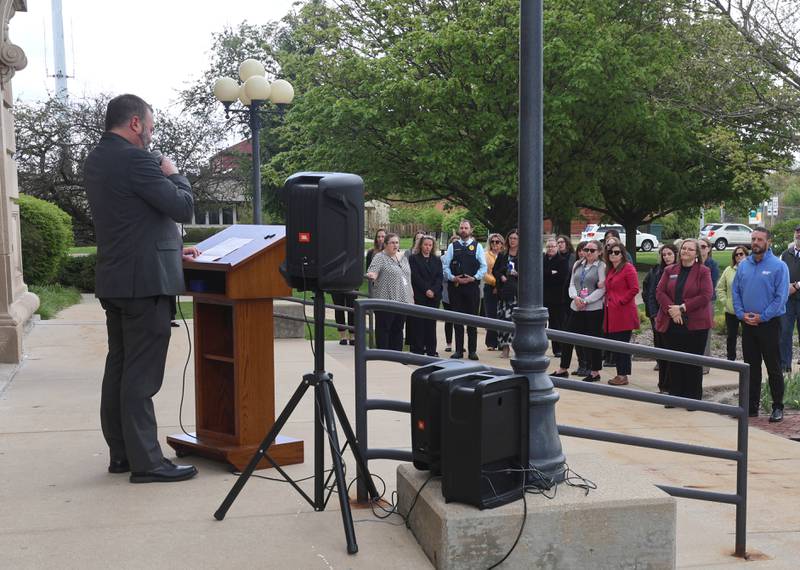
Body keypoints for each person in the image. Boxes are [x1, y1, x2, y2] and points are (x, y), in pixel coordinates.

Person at [84, 94, 198, 483]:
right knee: (141, 375)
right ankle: (148, 462)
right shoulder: (137, 160)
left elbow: (130, 217)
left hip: (116, 279)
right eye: (149, 124)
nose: (151, 132)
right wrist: (174, 172)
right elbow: (182, 207)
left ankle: (122, 453)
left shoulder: (97, 159)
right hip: (144, 283)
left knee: (119, 367)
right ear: (135, 123)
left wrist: (172, 247)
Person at [733, 227, 789, 422]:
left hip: (770, 324)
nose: (755, 242)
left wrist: (762, 317)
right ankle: (750, 407)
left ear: (768, 242)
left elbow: (780, 298)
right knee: (751, 367)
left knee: (773, 367)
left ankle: (777, 407)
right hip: (748, 323)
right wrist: (741, 314)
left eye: (759, 239)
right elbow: (736, 292)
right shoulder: (743, 265)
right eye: (753, 238)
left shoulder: (778, 266)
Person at [655, 239, 713, 404]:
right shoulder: (669, 270)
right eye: (683, 249)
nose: (685, 251)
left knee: (693, 363)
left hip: (695, 325)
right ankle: (675, 396)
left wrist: (681, 308)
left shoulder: (703, 271)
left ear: (696, 254)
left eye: (690, 249)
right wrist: (672, 311)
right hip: (672, 323)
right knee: (674, 362)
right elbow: (660, 291)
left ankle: (692, 399)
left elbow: (706, 295)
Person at [551, 240, 606, 381]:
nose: (588, 253)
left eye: (592, 250)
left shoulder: (601, 266)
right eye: (586, 249)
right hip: (576, 306)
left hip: (593, 308)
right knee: (568, 337)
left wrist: (586, 300)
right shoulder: (578, 264)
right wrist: (575, 297)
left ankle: (594, 371)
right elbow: (572, 284)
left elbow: (602, 289)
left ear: (599, 252)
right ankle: (563, 368)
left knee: (593, 340)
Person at [442, 220, 487, 360]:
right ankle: (459, 350)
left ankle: (472, 351)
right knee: (457, 320)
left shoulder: (477, 246)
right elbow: (445, 266)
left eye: (466, 228)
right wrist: (453, 278)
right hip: (456, 287)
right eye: (461, 228)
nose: (463, 230)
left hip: (472, 287)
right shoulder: (452, 246)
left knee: (472, 320)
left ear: (471, 230)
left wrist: (474, 278)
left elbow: (483, 267)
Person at [366, 233, 413, 350]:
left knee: (398, 329)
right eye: (392, 242)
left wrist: (411, 297)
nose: (395, 245)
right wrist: (372, 275)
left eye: (397, 242)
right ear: (385, 244)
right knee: (384, 329)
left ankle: (397, 356)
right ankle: (383, 357)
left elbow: (408, 278)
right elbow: (373, 272)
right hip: (385, 300)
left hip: (402, 300)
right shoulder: (380, 257)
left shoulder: (403, 258)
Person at [603, 242, 640, 386]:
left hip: (623, 313)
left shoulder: (628, 268)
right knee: (616, 345)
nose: (613, 254)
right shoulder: (611, 269)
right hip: (612, 312)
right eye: (611, 252)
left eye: (617, 252)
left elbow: (634, 289)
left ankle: (623, 375)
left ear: (623, 254)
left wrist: (620, 301)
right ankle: (620, 373)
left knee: (622, 345)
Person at [643, 244, 677, 392]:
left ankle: (672, 385)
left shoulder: (680, 271)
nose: (667, 257)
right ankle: (663, 385)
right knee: (661, 353)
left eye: (669, 254)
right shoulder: (657, 272)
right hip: (659, 318)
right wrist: (654, 315)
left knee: (672, 355)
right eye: (664, 255)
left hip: (675, 318)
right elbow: (651, 295)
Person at [409, 235, 443, 356]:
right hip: (420, 295)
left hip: (433, 297)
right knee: (419, 324)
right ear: (421, 245)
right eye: (425, 245)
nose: (427, 247)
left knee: (431, 324)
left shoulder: (437, 259)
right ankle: (418, 349)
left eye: (430, 245)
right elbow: (415, 276)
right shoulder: (414, 259)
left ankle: (431, 350)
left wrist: (433, 290)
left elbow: (439, 277)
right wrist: (426, 290)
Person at [716, 246, 749, 361]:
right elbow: (720, 288)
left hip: (747, 310)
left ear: (746, 255)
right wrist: (725, 301)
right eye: (736, 255)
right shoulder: (728, 270)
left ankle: (748, 361)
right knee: (731, 337)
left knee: (748, 338)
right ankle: (731, 360)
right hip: (731, 310)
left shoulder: (751, 269)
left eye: (741, 254)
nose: (739, 256)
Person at [493, 229, 520, 359]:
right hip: (503, 292)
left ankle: (517, 348)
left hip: (516, 292)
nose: (512, 240)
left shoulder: (523, 255)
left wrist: (518, 274)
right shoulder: (503, 254)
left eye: (515, 238)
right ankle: (505, 348)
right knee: (503, 320)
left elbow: (529, 273)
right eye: (510, 238)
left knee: (515, 321)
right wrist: (501, 276)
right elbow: (494, 270)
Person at [543, 237, 570, 358]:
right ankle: (539, 346)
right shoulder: (541, 259)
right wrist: (550, 273)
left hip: (557, 298)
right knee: (540, 324)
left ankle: (558, 349)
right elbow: (539, 274)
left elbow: (561, 277)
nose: (551, 249)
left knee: (556, 324)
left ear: (557, 248)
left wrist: (547, 274)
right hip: (543, 296)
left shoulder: (562, 261)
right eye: (548, 246)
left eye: (553, 246)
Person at [779, 225, 800, 373]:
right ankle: (785, 365)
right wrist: (785, 286)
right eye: (797, 232)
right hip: (788, 300)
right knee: (785, 332)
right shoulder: (786, 254)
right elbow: (779, 272)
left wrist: (797, 286)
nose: (798, 235)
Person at [699, 237, 720, 373]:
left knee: (706, 333)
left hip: (707, 302)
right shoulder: (693, 263)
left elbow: (711, 286)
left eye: (703, 246)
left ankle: (704, 366)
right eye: (699, 246)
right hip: (693, 303)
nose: (701, 249)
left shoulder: (712, 264)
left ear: (709, 248)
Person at [482, 233, 504, 351]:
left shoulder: (504, 255)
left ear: (502, 244)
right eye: (493, 242)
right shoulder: (486, 255)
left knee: (502, 314)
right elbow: (484, 273)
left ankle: (502, 342)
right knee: (491, 314)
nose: (495, 244)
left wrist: (500, 285)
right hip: (490, 287)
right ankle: (491, 342)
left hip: (503, 288)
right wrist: (495, 283)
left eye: (498, 242)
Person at [441, 235, 459, 352]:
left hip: (460, 292)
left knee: (459, 319)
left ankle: (459, 343)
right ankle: (449, 343)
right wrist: (453, 277)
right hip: (447, 291)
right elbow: (442, 275)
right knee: (449, 319)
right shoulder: (443, 259)